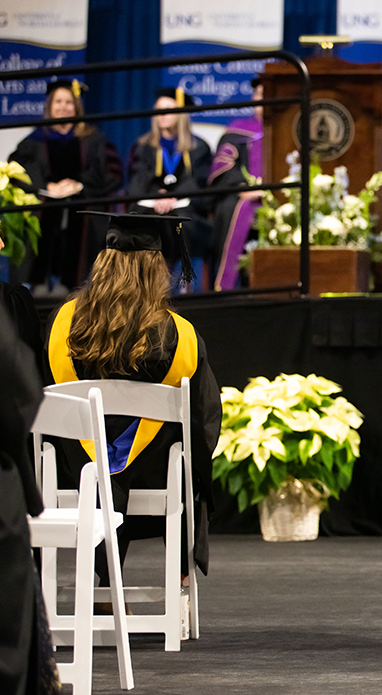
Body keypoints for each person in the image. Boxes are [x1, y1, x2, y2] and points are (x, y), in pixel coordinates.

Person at [44, 212, 221, 592]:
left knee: (94, 455)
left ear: (101, 263)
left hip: (74, 479)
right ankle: (180, 567)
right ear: (157, 268)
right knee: (181, 450)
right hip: (156, 480)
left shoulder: (62, 326)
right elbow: (205, 422)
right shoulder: (179, 336)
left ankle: (106, 582)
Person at [9, 80, 123, 297]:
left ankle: (72, 283)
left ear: (77, 106)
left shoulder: (93, 139)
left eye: (69, 102)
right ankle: (37, 281)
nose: (63, 107)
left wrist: (79, 185)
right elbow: (18, 170)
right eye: (58, 102)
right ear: (49, 106)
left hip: (81, 199)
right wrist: (46, 186)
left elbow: (112, 172)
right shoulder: (35, 140)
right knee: (38, 213)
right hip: (46, 198)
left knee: (79, 212)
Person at [0, 290, 58, 695]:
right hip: (142, 477)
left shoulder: (68, 319)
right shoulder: (181, 333)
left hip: (67, 465)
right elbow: (21, 389)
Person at [127, 88, 214, 289]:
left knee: (181, 220)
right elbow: (137, 179)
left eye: (169, 109)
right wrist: (157, 196)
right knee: (148, 219)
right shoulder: (142, 146)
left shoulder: (198, 147)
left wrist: (172, 197)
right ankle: (149, 283)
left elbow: (199, 180)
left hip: (185, 207)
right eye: (159, 110)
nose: (162, 115)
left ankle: (177, 281)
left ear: (181, 114)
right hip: (150, 205)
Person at [208, 78, 265, 292]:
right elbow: (224, 164)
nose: (264, 99)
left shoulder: (288, 128)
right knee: (229, 207)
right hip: (241, 195)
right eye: (260, 94)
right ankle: (226, 289)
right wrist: (243, 186)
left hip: (277, 195)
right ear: (253, 98)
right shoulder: (238, 129)